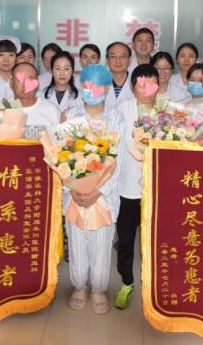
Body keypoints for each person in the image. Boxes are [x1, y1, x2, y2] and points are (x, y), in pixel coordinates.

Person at [64, 64, 125, 315]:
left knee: (101, 243)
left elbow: (119, 160)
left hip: (103, 196)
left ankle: (99, 289)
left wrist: (98, 191)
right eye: (88, 85)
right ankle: (79, 286)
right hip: (74, 194)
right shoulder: (71, 115)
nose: (93, 90)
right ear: (81, 86)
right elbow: (60, 155)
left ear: (107, 88)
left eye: (99, 86)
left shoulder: (116, 118)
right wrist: (73, 188)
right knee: (77, 241)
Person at [114, 64, 159, 310]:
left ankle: (153, 285)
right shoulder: (123, 109)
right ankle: (126, 282)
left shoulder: (167, 112)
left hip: (157, 190)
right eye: (142, 85)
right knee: (126, 240)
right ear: (133, 87)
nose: (147, 90)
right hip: (127, 188)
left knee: (154, 241)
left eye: (152, 84)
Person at [10, 61, 60, 140]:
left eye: (30, 80)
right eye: (20, 80)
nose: (25, 85)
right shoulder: (0, 109)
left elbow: (60, 141)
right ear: (11, 82)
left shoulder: (51, 110)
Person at [41, 51, 81, 116]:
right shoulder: (40, 95)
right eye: (58, 68)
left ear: (72, 71)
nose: (62, 73)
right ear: (52, 71)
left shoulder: (81, 97)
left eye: (66, 69)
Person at [0, 35, 19, 103]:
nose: (6, 60)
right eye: (1, 55)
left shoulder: (20, 80)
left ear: (16, 58)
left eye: (11, 55)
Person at [104, 41, 135, 108]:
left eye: (123, 56)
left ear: (129, 60)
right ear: (107, 60)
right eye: (113, 56)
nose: (118, 60)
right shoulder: (97, 83)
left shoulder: (137, 83)